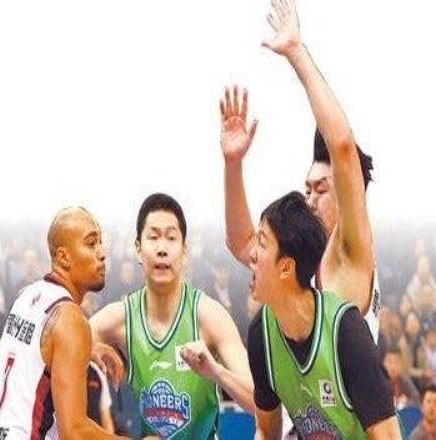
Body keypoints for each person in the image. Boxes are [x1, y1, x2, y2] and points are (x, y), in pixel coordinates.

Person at [221, 0, 380, 343]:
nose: (310, 199)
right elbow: (242, 243)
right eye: (307, 189)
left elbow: (342, 149)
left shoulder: (351, 250)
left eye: (321, 190)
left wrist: (296, 52)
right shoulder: (302, 255)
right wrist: (233, 165)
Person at [90, 193, 254, 439]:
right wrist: (89, 347)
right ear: (138, 249)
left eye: (171, 238)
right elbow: (62, 345)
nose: (162, 249)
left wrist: (216, 372)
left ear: (184, 251)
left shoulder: (210, 316)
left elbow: (258, 402)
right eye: (153, 237)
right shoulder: (121, 318)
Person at [247, 191, 402, 439]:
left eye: (262, 244)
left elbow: (388, 435)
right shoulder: (261, 334)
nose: (251, 254)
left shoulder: (346, 331)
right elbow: (266, 430)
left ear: (286, 267)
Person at [0, 207, 128, 439]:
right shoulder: (70, 318)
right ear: (64, 257)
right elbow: (73, 432)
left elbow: (39, 345)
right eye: (91, 244)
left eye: (100, 243)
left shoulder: (27, 295)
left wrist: (85, 348)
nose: (102, 253)